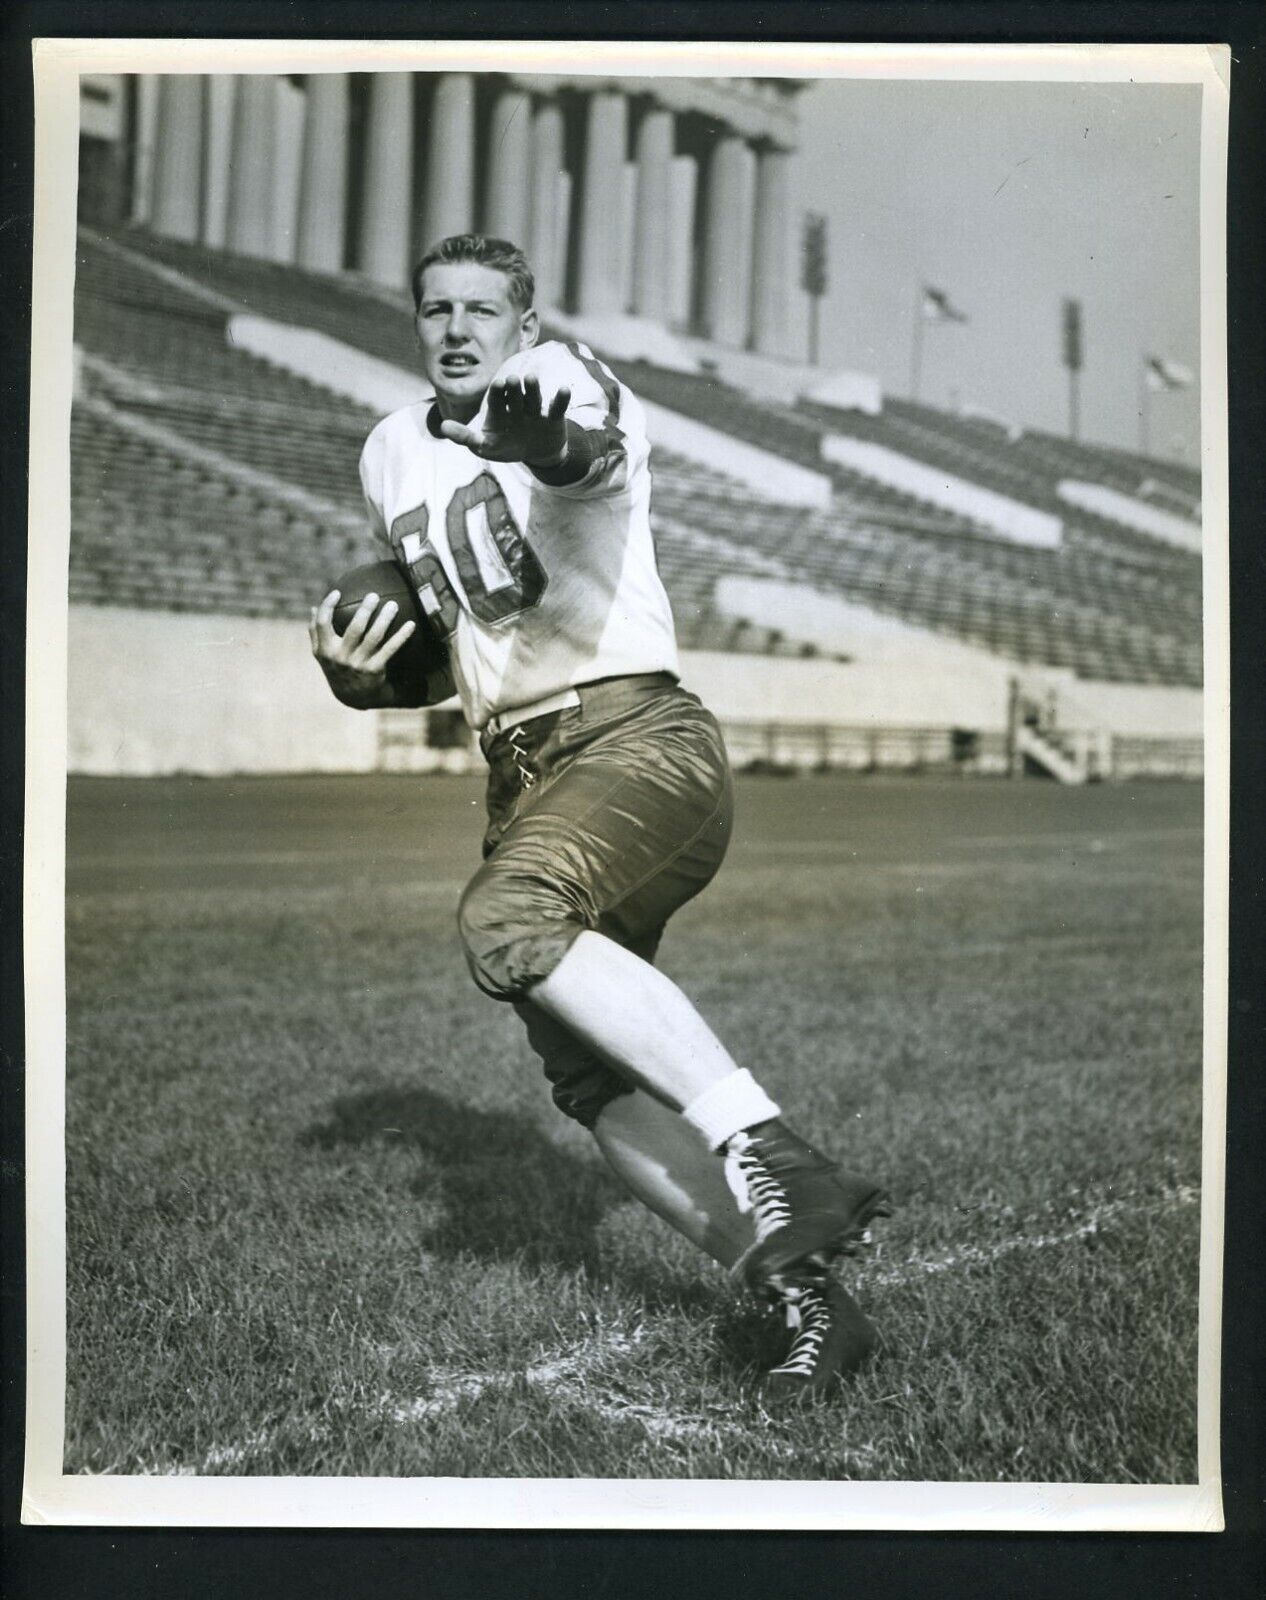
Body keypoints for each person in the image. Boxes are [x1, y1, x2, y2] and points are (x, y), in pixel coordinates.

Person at [309, 233, 890, 1402]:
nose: (459, 328)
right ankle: (807, 1299)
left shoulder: (562, 379)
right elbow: (461, 631)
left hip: (637, 741)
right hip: (521, 767)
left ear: (524, 322)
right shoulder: (387, 450)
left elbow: (582, 456)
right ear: (416, 324)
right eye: (437, 309)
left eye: (484, 308)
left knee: (508, 918)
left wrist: (539, 440)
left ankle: (775, 1154)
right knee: (592, 1084)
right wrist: (359, 667)